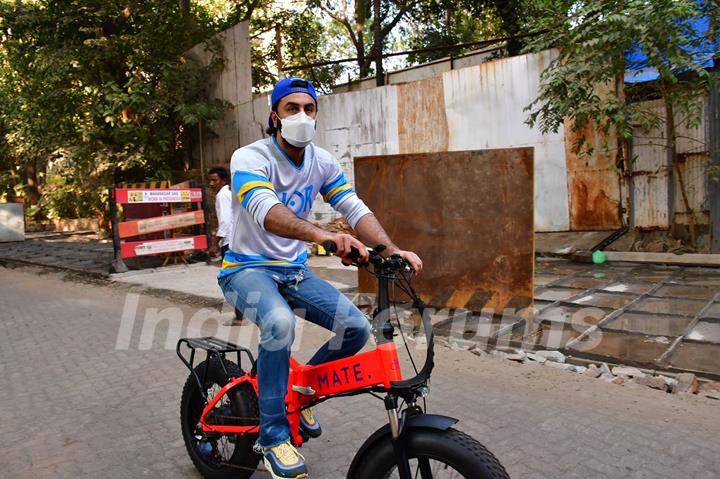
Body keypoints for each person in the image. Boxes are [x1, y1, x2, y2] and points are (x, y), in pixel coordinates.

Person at [218, 77, 422, 479]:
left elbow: (354, 206)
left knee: (353, 327)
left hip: (292, 272)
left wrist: (390, 249)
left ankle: (300, 391)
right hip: (245, 269)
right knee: (278, 324)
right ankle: (274, 436)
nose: (302, 116)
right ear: (274, 116)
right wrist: (324, 235)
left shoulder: (322, 161)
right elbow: (265, 210)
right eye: (292, 109)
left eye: (309, 109)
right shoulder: (249, 157)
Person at [207, 166, 243, 325]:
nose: (211, 183)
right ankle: (240, 314)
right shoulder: (229, 194)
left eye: (214, 180)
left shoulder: (222, 196)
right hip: (237, 240)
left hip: (228, 243)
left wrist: (215, 244)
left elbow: (225, 222)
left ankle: (239, 316)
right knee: (239, 278)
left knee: (232, 280)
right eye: (210, 180)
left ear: (223, 180)